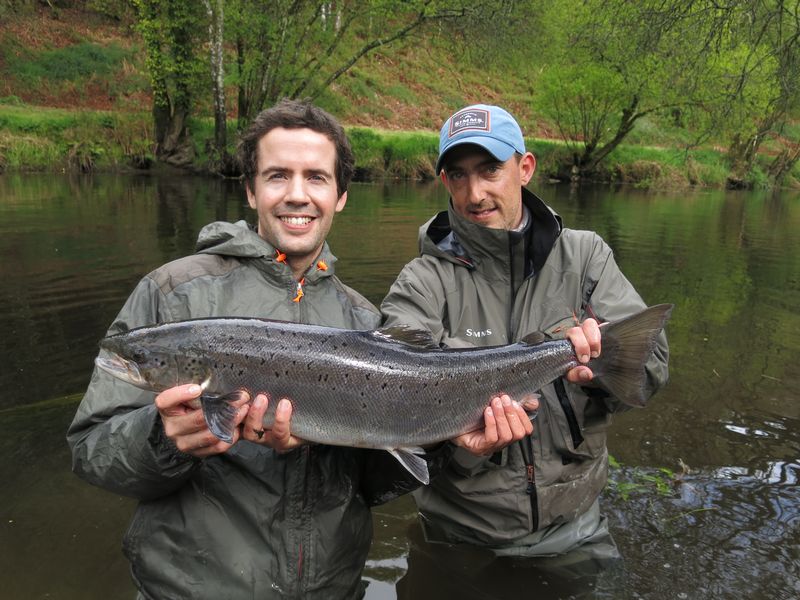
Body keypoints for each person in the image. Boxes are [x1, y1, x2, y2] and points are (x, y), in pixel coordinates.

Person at [67, 100, 533, 600]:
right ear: (250, 190)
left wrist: (452, 444)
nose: (296, 195)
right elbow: (90, 451)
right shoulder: (171, 295)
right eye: (276, 176)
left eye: (315, 177)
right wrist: (164, 438)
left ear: (341, 195)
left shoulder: (363, 320)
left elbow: (374, 484)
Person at [381, 104, 670, 594]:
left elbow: (650, 371)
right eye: (458, 175)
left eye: (490, 169)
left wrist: (599, 372)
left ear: (525, 166)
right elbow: (392, 408)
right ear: (446, 182)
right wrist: (463, 445)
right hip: (457, 539)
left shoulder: (585, 257)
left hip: (575, 533)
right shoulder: (422, 282)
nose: (475, 193)